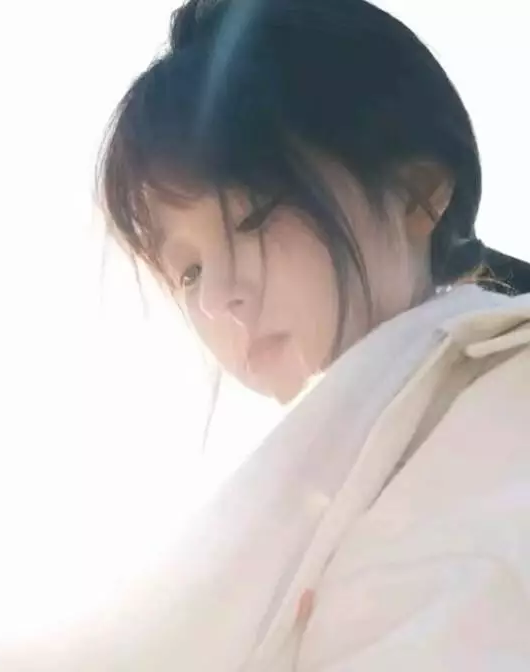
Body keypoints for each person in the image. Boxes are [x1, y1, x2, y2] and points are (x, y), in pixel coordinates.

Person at [92, 0, 530, 669]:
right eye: (188, 270)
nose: (216, 298)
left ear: (417, 193)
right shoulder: (349, 457)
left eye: (254, 217)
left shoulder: (503, 403)